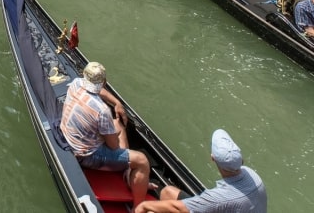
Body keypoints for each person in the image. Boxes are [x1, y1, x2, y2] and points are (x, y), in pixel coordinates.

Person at [60, 62, 151, 209]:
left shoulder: (76, 83)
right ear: (104, 82)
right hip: (87, 156)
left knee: (116, 125)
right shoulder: (102, 110)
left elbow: (99, 91)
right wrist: (107, 134)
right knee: (141, 160)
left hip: (70, 139)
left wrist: (116, 102)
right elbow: (113, 146)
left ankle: (127, 171)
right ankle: (139, 207)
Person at [133, 129, 266, 212]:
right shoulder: (253, 175)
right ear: (241, 161)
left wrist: (144, 206)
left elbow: (179, 208)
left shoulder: (216, 199)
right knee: (168, 192)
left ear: (212, 158)